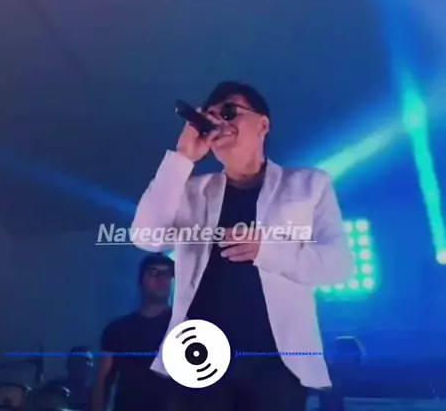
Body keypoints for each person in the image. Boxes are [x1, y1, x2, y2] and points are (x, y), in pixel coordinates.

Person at [131, 81, 354, 411]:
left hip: (276, 362)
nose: (218, 122)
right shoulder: (192, 190)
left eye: (229, 112)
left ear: (263, 124)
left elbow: (338, 264)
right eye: (209, 116)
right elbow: (145, 236)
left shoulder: (309, 185)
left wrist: (268, 250)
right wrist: (182, 158)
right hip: (197, 354)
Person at [92, 254, 174, 411]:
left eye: (167, 274)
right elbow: (103, 380)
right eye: (154, 272)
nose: (161, 279)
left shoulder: (183, 326)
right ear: (141, 280)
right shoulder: (118, 329)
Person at [47, 345, 94, 411]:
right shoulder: (54, 389)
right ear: (69, 364)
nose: (88, 365)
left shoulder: (95, 394)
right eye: (82, 360)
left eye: (90, 361)